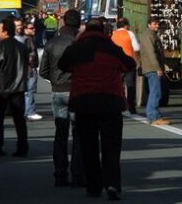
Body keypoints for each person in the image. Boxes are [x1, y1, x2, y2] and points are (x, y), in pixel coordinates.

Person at [58, 18, 136, 200]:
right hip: (111, 102)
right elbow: (130, 65)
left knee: (89, 147)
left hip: (84, 103)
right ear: (104, 31)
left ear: (85, 31)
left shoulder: (76, 49)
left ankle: (94, 186)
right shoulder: (112, 49)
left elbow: (62, 65)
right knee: (111, 147)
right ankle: (112, 184)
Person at [39, 10, 85, 188]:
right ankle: (77, 174)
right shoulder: (79, 43)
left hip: (57, 90)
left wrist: (56, 80)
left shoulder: (52, 43)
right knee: (78, 134)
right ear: (78, 23)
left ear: (64, 22)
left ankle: (60, 174)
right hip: (76, 90)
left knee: (60, 134)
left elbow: (43, 71)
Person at [0, 18, 29, 157]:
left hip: (2, 87)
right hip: (19, 87)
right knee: (19, 119)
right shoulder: (22, 47)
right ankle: (22, 147)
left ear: (5, 31)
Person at [139, 17, 169, 125]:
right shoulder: (148, 35)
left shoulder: (151, 35)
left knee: (155, 92)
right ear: (149, 25)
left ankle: (155, 115)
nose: (157, 26)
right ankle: (153, 116)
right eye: (154, 24)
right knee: (155, 93)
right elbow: (151, 53)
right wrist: (157, 68)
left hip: (151, 67)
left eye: (157, 24)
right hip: (151, 67)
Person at [111, 18, 141, 114]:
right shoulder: (130, 33)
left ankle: (119, 104)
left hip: (116, 63)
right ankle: (131, 107)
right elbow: (136, 48)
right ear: (126, 25)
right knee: (130, 85)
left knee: (118, 85)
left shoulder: (113, 34)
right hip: (128, 63)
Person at [23, 21, 42, 121]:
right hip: (29, 68)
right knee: (29, 91)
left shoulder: (31, 38)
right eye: (31, 28)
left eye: (34, 28)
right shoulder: (26, 39)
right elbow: (28, 53)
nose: (34, 29)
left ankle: (28, 110)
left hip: (30, 67)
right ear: (25, 29)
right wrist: (30, 61)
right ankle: (30, 111)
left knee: (29, 91)